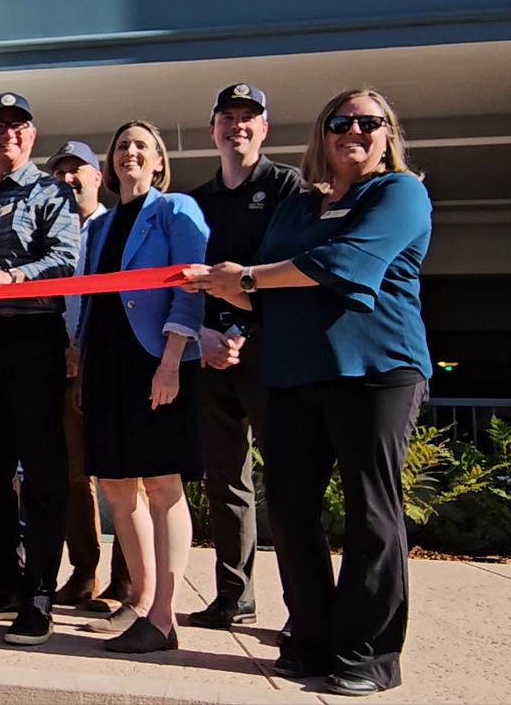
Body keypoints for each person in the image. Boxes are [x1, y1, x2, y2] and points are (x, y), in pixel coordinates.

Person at [183, 89, 431, 696]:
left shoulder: (399, 193)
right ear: (323, 134)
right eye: (341, 122)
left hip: (376, 371)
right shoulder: (299, 204)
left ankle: (369, 653)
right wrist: (213, 287)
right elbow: (265, 291)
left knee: (371, 511)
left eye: (369, 122)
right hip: (293, 374)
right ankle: (311, 638)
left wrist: (244, 277)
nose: (354, 131)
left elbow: (344, 264)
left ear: (388, 134)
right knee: (291, 511)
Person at [0, 92, 79, 647]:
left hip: (31, 338)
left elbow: (67, 259)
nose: (8, 134)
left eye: (18, 126)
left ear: (31, 135)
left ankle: (39, 593)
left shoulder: (52, 192)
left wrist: (14, 276)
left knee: (43, 472)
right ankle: (4, 578)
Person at [75, 121, 209, 654]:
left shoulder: (175, 209)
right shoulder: (102, 226)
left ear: (158, 161)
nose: (129, 152)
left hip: (155, 358)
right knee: (114, 483)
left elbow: (191, 287)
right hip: (107, 361)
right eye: (122, 145)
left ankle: (164, 615)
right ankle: (140, 599)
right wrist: (83, 360)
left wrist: (172, 361)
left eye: (141, 146)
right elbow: (93, 298)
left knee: (160, 482)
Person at [186, 83, 306, 630]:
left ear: (264, 128)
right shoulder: (198, 202)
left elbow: (294, 267)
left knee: (288, 479)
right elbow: (189, 281)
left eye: (248, 117)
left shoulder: (287, 187)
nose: (237, 125)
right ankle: (234, 596)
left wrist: (244, 330)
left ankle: (303, 609)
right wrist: (206, 337)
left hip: (273, 352)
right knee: (225, 480)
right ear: (212, 129)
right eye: (227, 117)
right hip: (214, 356)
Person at [46, 138, 112, 609]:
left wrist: (85, 351)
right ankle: (84, 571)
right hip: (62, 365)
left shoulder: (114, 227)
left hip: (108, 366)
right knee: (73, 476)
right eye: (60, 172)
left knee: (123, 477)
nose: (68, 179)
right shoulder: (55, 232)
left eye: (77, 170)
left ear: (97, 176)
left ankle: (128, 582)